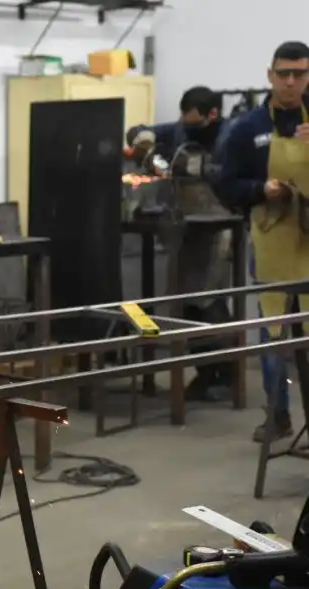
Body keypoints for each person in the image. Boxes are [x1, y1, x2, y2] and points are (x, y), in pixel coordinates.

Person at [219, 40, 309, 442]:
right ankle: (277, 415)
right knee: (275, 332)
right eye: (284, 73)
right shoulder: (246, 128)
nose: (291, 82)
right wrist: (259, 188)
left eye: (300, 74)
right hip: (272, 240)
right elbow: (223, 182)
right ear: (270, 75)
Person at [127, 86, 238, 402]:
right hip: (187, 227)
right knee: (186, 302)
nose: (183, 125)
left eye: (191, 121)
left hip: (220, 227)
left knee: (209, 299)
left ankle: (227, 372)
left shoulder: (231, 136)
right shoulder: (179, 129)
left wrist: (183, 167)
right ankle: (205, 372)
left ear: (211, 115)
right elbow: (138, 132)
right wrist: (142, 139)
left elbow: (226, 173)